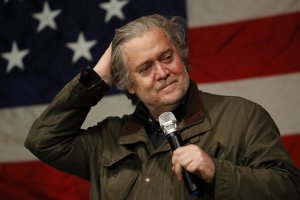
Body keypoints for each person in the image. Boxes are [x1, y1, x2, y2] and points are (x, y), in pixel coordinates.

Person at [25, 14, 300, 200]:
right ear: (128, 84)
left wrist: (218, 172)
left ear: (179, 55)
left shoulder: (242, 116)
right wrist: (98, 77)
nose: (162, 72)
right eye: (145, 68)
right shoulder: (107, 140)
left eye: (166, 57)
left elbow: (290, 188)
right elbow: (44, 141)